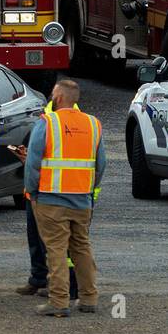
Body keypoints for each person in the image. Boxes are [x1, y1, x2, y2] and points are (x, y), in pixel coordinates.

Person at [23, 79, 104, 318]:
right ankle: (89, 298)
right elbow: (101, 165)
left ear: (57, 98)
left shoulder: (47, 122)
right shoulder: (93, 124)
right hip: (81, 198)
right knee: (82, 247)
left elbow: (33, 163)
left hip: (51, 198)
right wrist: (89, 188)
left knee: (56, 249)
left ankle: (59, 302)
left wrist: (31, 192)